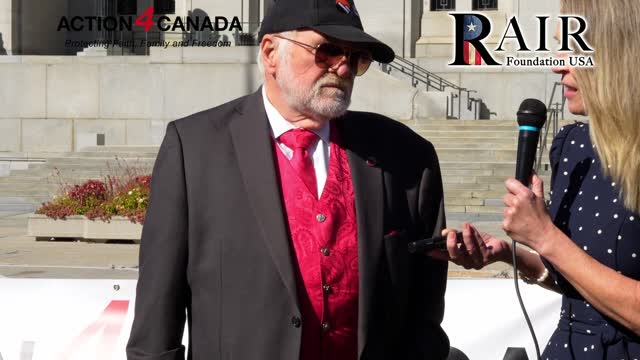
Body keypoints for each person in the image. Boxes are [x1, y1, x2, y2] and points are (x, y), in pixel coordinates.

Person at [126, 0, 451, 359]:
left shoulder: (406, 158)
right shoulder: (195, 150)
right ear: (270, 53)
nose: (342, 67)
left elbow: (424, 322)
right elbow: (156, 325)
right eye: (326, 51)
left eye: (356, 58)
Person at [430, 0, 640, 357]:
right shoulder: (574, 147)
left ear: (619, 52)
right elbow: (579, 282)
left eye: (574, 50)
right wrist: (510, 254)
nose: (557, 66)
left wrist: (544, 236)